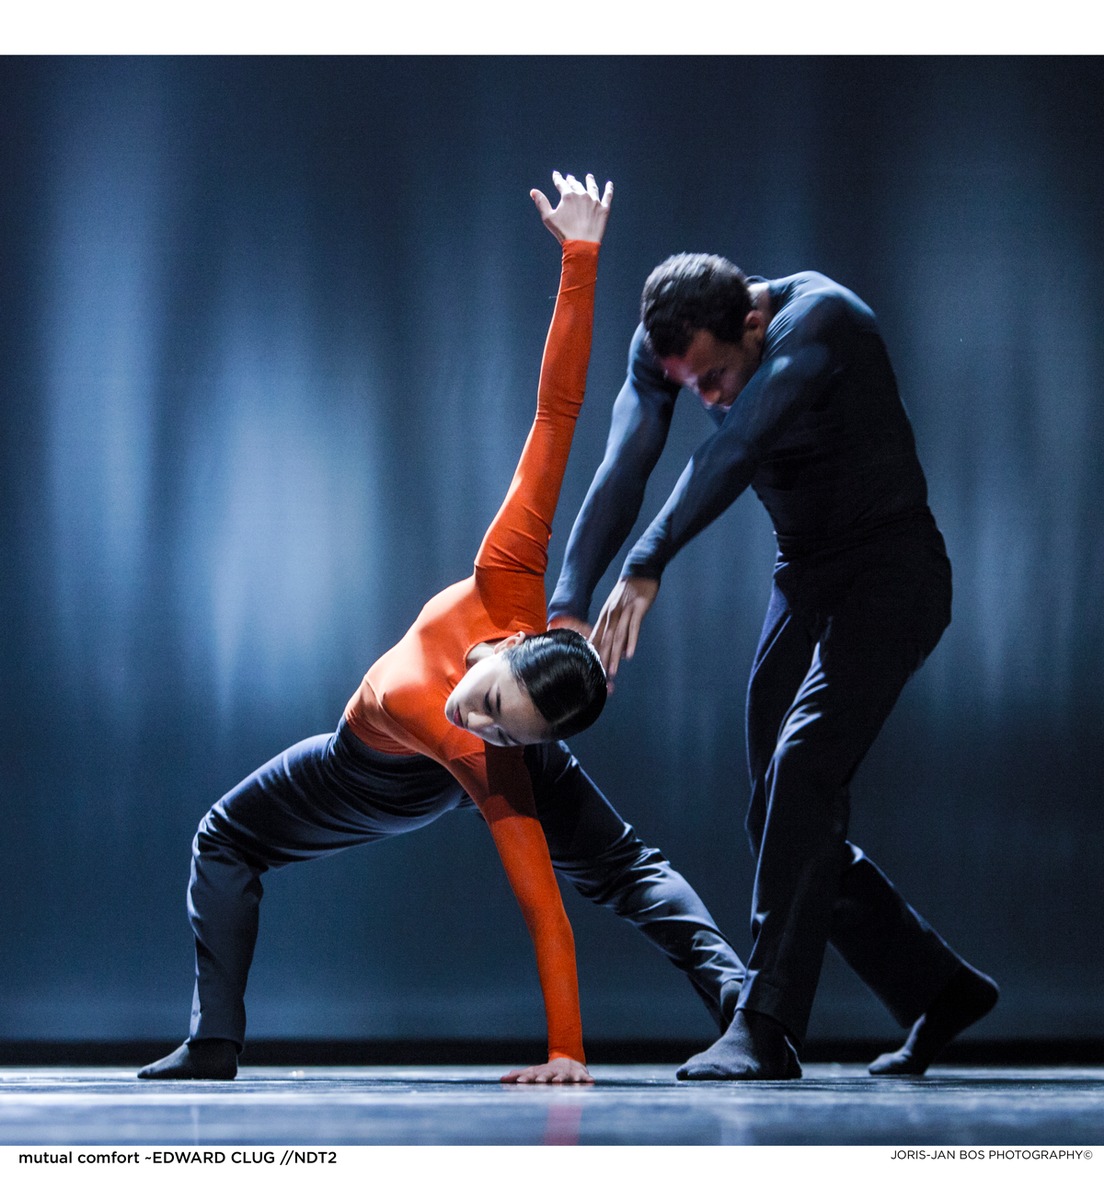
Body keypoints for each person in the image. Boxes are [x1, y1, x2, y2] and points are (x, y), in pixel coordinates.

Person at [138, 176, 746, 1086]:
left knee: (618, 866)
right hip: (372, 772)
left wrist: (568, 1055)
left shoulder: (487, 749)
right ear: (507, 645)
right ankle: (214, 1043)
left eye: (510, 734)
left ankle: (749, 1009)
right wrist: (581, 259)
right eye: (496, 708)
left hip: (423, 772)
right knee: (226, 839)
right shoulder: (508, 576)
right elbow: (557, 418)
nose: (486, 724)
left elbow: (543, 905)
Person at [547, 251, 999, 1080]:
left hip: (892, 572)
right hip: (807, 577)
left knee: (804, 769)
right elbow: (628, 461)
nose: (709, 399)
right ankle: (937, 987)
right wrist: (568, 604)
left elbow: (740, 445)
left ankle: (766, 1027)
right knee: (780, 818)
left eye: (717, 377)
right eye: (693, 387)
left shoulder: (820, 320)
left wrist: (647, 563)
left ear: (752, 325)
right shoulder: (668, 349)